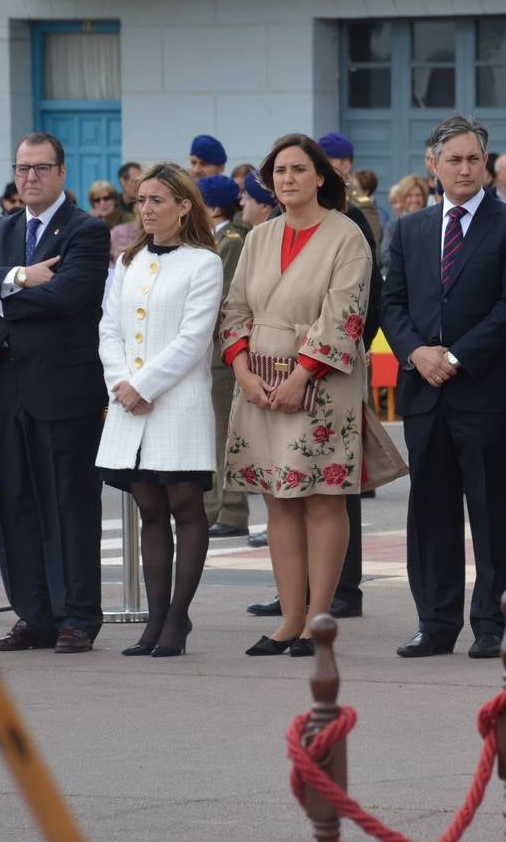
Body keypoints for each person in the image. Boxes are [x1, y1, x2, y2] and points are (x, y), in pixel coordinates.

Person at [381, 114, 506, 659]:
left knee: (492, 512)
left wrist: (455, 355)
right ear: (434, 165)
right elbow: (392, 305)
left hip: (486, 391)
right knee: (431, 512)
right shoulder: (409, 229)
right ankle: (436, 622)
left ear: (487, 163)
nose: (466, 168)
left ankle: (493, 623)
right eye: (455, 159)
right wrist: (417, 353)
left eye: (474, 159)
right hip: (425, 392)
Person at [0, 131, 110, 654]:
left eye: (41, 168)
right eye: (22, 169)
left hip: (65, 388)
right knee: (14, 501)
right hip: (5, 385)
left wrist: (0, 292)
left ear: (62, 173)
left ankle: (78, 616)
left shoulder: (85, 231)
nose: (30, 178)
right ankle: (34, 614)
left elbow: (69, 296)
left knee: (69, 503)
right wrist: (21, 276)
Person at [218, 134, 371, 658]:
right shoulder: (259, 236)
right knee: (278, 501)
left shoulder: (346, 235)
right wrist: (241, 370)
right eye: (279, 171)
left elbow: (346, 314)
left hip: (321, 383)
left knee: (323, 500)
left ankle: (319, 619)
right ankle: (289, 619)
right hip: (259, 381)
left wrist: (302, 375)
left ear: (321, 176)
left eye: (298, 169)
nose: (287, 179)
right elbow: (234, 309)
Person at [96, 163, 223, 658]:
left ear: (184, 206)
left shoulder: (203, 263)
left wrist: (145, 384)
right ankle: (154, 620)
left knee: (185, 507)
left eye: (157, 200)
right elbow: (109, 328)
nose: (146, 209)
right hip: (130, 403)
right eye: (141, 201)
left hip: (179, 404)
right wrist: (121, 383)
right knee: (148, 507)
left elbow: (195, 339)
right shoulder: (126, 261)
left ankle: (177, 619)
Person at [197, 173, 250, 539]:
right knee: (212, 432)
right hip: (211, 352)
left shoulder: (229, 241)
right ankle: (214, 506)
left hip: (221, 352)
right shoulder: (216, 239)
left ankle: (229, 510)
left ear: (213, 206)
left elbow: (224, 299)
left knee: (223, 434)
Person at [318, 132, 382, 242]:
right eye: (317, 161)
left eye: (326, 161)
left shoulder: (361, 206)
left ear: (345, 166)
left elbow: (367, 253)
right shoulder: (311, 197)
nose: (319, 166)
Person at [382, 174, 429, 277]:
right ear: (402, 198)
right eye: (409, 195)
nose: (414, 200)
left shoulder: (432, 222)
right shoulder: (393, 224)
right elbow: (385, 256)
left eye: (418, 195)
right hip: (395, 276)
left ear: (424, 197)